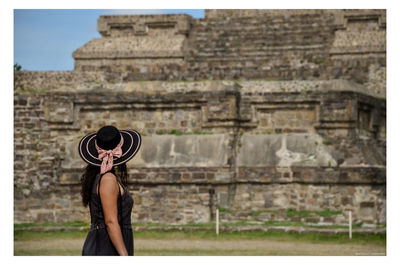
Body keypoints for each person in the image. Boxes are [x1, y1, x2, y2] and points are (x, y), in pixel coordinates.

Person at [78, 125, 142, 256]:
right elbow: (111, 222)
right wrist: (124, 256)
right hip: (106, 247)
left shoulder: (104, 177)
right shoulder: (108, 179)